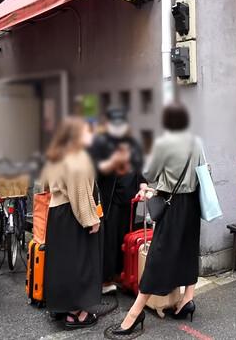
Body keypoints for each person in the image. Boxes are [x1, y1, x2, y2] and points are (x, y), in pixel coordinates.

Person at [112, 103, 202, 335]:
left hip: (171, 205)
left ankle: (135, 312)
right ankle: (187, 300)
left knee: (157, 256)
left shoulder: (165, 143)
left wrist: (157, 186)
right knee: (188, 250)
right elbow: (203, 171)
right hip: (192, 203)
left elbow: (150, 174)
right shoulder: (196, 141)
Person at [40, 117, 103, 329]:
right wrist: (91, 219)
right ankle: (77, 313)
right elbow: (80, 192)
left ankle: (62, 307)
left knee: (61, 264)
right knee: (80, 263)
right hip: (72, 214)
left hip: (57, 213)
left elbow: (46, 183)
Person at [88, 108, 144, 294]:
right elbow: (96, 171)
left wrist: (143, 184)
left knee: (125, 236)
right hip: (110, 198)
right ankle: (105, 278)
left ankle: (123, 273)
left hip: (129, 198)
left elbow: (139, 166)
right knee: (109, 239)